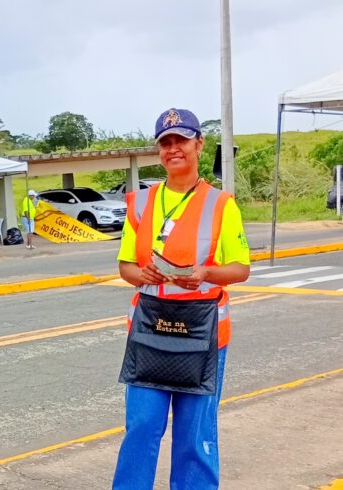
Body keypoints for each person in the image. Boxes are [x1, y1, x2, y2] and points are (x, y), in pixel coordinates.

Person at [113, 108, 250, 490]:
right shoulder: (141, 203)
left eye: (181, 140)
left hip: (202, 333)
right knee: (142, 426)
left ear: (198, 144)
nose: (173, 148)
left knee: (195, 433)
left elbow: (240, 269)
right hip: (150, 330)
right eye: (165, 142)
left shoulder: (221, 204)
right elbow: (125, 266)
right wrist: (142, 274)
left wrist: (205, 273)